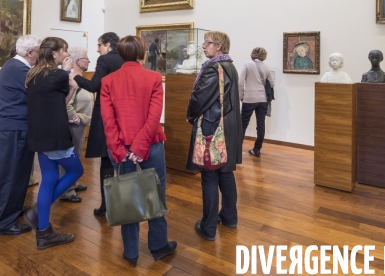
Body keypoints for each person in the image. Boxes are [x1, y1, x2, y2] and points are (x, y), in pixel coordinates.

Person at [100, 35, 176, 267]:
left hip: (122, 148)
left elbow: (108, 120)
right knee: (155, 191)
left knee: (127, 197)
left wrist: (120, 149)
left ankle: (131, 251)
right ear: (142, 54)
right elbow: (154, 117)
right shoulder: (153, 77)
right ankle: (158, 245)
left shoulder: (108, 81)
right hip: (150, 146)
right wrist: (140, 147)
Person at [23, 37, 84, 250]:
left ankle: (44, 232)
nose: (66, 54)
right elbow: (68, 87)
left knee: (49, 178)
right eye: (64, 50)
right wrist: (69, 73)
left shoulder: (34, 74)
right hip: (55, 135)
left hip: (39, 135)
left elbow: (59, 104)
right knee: (76, 171)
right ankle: (39, 213)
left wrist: (71, 85)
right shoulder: (58, 75)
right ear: (55, 53)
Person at [186, 31, 242, 241]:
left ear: (219, 46)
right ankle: (229, 217)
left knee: (209, 177)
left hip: (212, 127)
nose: (203, 46)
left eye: (208, 43)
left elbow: (199, 98)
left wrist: (190, 116)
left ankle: (208, 227)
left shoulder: (213, 68)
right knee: (226, 174)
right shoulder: (230, 66)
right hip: (228, 127)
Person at [0, 34, 41, 236]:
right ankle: (3, 223)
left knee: (17, 174)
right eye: (38, 52)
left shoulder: (12, 66)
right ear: (30, 53)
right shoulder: (20, 69)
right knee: (12, 175)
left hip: (13, 127)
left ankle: (11, 210)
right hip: (15, 128)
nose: (39, 56)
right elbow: (39, 93)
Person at [72, 32, 124, 217]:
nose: (97, 49)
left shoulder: (105, 60)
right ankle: (124, 202)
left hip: (107, 113)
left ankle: (106, 205)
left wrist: (76, 76)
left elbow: (95, 86)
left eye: (99, 45)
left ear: (108, 45)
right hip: (124, 114)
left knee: (106, 159)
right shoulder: (125, 59)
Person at [59, 47, 93, 203]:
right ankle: (66, 191)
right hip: (73, 125)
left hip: (79, 125)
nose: (89, 61)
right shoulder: (71, 79)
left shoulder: (79, 78)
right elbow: (65, 103)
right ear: (78, 61)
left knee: (76, 155)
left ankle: (72, 183)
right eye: (86, 58)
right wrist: (76, 118)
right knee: (69, 158)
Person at [239, 47, 275, 158]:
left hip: (249, 99)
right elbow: (272, 83)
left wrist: (241, 95)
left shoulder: (247, 64)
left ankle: (237, 150)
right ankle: (257, 149)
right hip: (263, 99)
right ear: (264, 55)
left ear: (253, 54)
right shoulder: (267, 67)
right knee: (261, 125)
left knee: (242, 124)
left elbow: (240, 82)